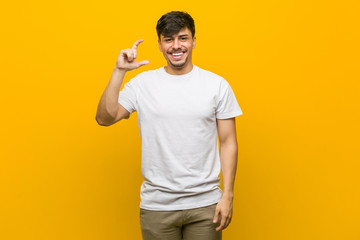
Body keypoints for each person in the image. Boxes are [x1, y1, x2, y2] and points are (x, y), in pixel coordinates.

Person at [96, 11, 243, 240]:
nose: (176, 45)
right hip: (157, 206)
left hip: (205, 205)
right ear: (160, 44)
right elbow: (105, 118)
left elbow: (228, 142)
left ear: (193, 41)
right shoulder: (142, 84)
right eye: (169, 39)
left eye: (183, 38)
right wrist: (119, 71)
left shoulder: (217, 85)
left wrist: (228, 195)